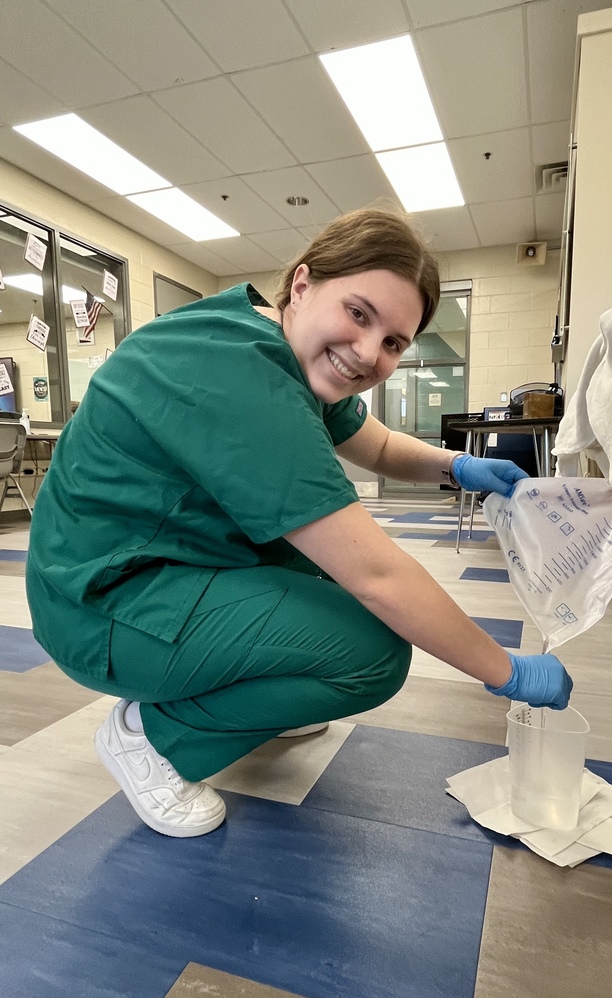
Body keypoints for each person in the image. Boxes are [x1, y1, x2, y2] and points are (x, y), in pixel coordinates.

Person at [26, 209, 573, 840]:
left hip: (153, 567)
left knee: (315, 572)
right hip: (100, 607)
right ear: (304, 283)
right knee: (371, 653)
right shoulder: (240, 374)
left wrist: (459, 466)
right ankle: (152, 740)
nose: (370, 352)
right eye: (359, 314)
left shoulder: (267, 337)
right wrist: (504, 671)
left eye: (394, 342)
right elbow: (377, 575)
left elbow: (380, 446)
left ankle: (247, 692)